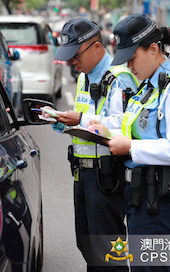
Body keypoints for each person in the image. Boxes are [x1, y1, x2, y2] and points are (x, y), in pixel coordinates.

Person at [95, 14, 170, 272]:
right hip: (144, 194)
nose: (129, 65)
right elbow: (134, 125)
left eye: (132, 58)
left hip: (162, 197)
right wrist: (98, 126)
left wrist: (130, 147)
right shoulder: (149, 85)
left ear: (153, 49)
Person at [43, 18, 138, 271]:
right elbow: (90, 125)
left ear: (97, 47)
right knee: (86, 244)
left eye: (76, 54)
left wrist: (82, 119)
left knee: (108, 252)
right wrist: (65, 123)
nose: (72, 61)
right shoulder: (85, 76)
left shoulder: (118, 78)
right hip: (83, 174)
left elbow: (122, 126)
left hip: (107, 176)